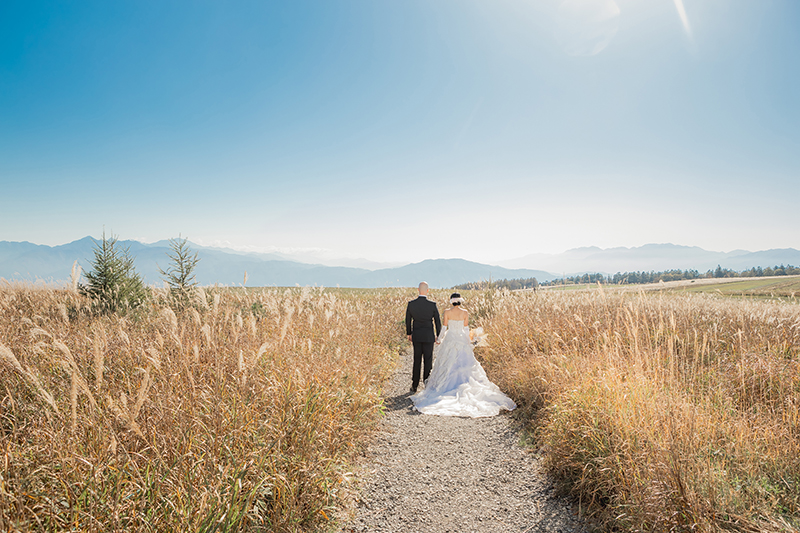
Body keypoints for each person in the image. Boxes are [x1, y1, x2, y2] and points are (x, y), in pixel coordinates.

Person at [411, 293, 516, 417]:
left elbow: (444, 327)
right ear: (460, 301)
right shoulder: (465, 312)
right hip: (461, 339)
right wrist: (469, 342)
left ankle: (444, 387)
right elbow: (466, 329)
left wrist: (439, 339)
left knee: (447, 362)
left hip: (450, 339)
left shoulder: (447, 312)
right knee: (465, 363)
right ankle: (462, 383)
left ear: (451, 301)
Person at [405, 282, 442, 393]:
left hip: (416, 335)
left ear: (418, 290)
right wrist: (438, 335)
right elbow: (437, 321)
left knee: (416, 360)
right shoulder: (432, 305)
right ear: (427, 290)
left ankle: (414, 385)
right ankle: (427, 383)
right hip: (428, 336)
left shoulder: (411, 304)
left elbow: (408, 320)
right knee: (428, 360)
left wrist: (409, 333)